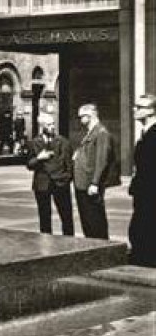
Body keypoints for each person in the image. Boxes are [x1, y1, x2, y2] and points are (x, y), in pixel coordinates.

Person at [72, 103, 118, 240]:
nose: (80, 120)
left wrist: (95, 182)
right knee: (87, 219)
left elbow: (101, 160)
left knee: (95, 219)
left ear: (90, 115)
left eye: (82, 117)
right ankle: (92, 245)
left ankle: (101, 247)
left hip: (89, 184)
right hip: (83, 183)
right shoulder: (91, 132)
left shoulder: (101, 133)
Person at [26, 112, 74, 236]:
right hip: (42, 184)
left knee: (66, 216)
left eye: (53, 123)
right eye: (49, 124)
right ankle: (46, 241)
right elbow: (29, 165)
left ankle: (69, 240)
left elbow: (69, 164)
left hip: (60, 183)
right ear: (42, 126)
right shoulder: (34, 142)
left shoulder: (63, 141)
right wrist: (39, 158)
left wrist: (66, 179)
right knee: (44, 216)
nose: (52, 126)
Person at [128, 95, 156, 267]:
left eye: (139, 107)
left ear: (151, 111)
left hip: (150, 194)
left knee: (143, 230)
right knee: (140, 230)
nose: (135, 110)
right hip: (143, 193)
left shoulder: (153, 135)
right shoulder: (145, 134)